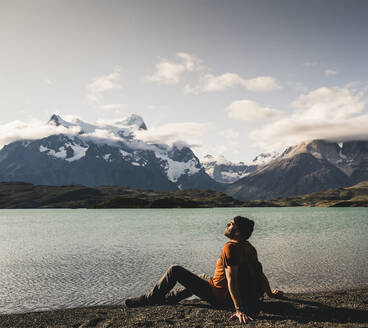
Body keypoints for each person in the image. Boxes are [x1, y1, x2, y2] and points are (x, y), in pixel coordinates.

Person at [124, 216, 283, 324]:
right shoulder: (249, 247)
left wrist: (239, 309)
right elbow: (259, 273)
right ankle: (169, 299)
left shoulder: (230, 248)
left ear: (238, 232)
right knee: (201, 277)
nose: (227, 225)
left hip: (221, 298)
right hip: (248, 297)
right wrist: (269, 293)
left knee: (175, 270)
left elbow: (232, 280)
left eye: (231, 224)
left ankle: (150, 299)